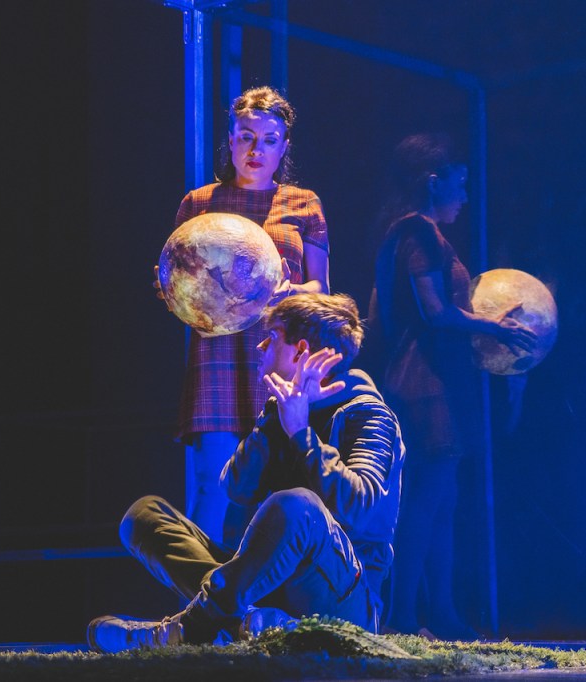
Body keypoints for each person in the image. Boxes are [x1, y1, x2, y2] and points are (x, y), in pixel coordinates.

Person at [87, 293, 405, 652]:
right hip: (270, 586)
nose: (260, 347)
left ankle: (184, 630)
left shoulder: (369, 415)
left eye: (272, 337)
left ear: (301, 351)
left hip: (346, 597)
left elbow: (358, 507)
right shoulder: (280, 413)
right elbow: (237, 488)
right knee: (144, 515)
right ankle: (248, 622)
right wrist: (275, 419)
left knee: (297, 505)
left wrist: (301, 433)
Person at [366, 132, 535, 640]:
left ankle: (441, 611)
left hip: (435, 376)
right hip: (425, 380)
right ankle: (402, 615)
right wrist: (494, 327)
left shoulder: (417, 233)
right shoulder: (417, 232)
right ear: (433, 181)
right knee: (427, 496)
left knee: (444, 497)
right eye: (459, 184)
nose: (464, 196)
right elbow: (435, 313)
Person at [157, 86, 330, 549]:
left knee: (279, 489)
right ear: (231, 140)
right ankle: (200, 589)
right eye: (247, 137)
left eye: (269, 140)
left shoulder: (304, 204)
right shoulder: (198, 203)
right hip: (218, 355)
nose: (257, 150)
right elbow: (181, 274)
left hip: (279, 355)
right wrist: (171, 287)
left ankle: (273, 590)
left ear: (284, 146)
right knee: (213, 486)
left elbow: (321, 288)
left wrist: (291, 291)